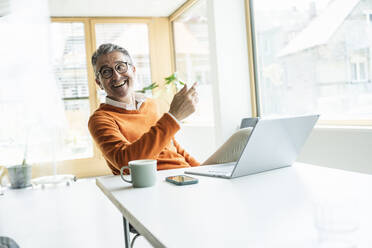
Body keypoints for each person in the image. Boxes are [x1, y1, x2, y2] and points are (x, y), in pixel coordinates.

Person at [88, 43, 252, 175]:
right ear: (99, 83)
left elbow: (174, 148)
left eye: (121, 67)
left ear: (133, 70)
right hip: (158, 182)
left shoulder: (151, 105)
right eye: (106, 72)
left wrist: (200, 170)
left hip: (185, 174)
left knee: (246, 136)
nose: (116, 76)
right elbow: (127, 163)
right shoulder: (101, 119)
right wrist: (173, 117)